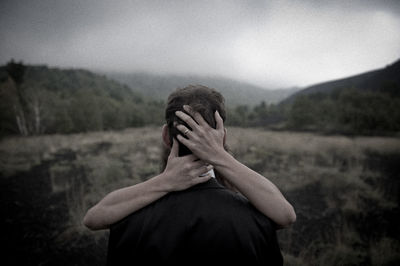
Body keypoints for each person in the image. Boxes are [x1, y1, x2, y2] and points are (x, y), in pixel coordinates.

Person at [84, 85, 295, 264]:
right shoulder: (257, 220)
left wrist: (164, 182)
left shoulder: (127, 216)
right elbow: (285, 216)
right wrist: (219, 155)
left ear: (166, 136)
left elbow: (93, 219)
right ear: (222, 138)